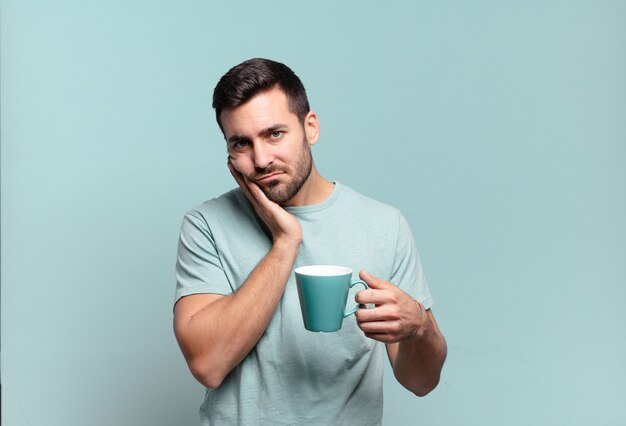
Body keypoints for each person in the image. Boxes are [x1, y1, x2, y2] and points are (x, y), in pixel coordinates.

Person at [173, 58, 447, 425]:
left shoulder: (384, 225)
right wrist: (286, 242)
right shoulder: (206, 225)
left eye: (274, 134)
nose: (261, 159)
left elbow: (422, 382)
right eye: (241, 143)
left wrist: (419, 328)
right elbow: (208, 365)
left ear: (310, 127)